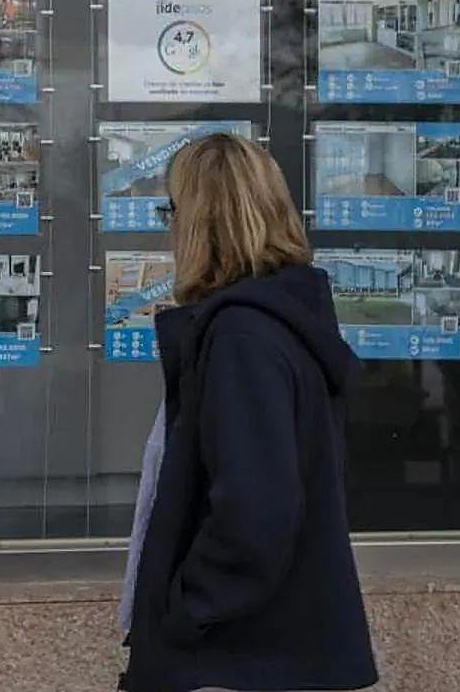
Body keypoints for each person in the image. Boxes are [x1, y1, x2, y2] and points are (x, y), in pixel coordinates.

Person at [119, 134, 378, 692]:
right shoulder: (276, 323)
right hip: (267, 653)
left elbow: (256, 510)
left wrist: (187, 611)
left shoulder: (243, 337)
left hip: (237, 659)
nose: (169, 229)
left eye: (172, 211)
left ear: (200, 222)